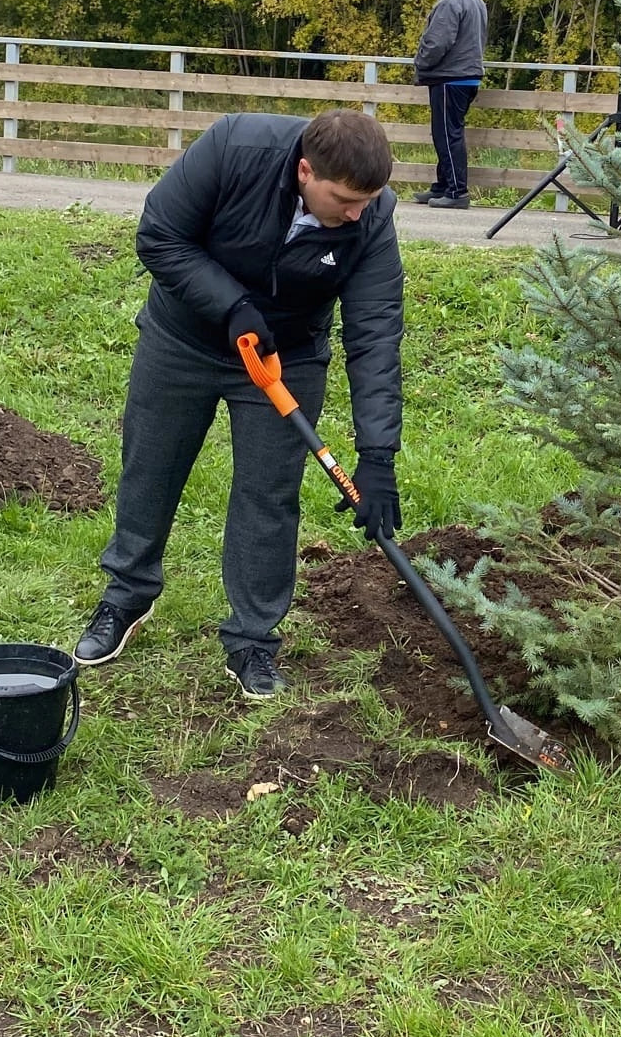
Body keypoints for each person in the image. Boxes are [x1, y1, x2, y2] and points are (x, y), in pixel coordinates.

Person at [74, 109, 404, 698]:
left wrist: (377, 456)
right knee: (151, 465)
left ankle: (252, 639)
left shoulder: (372, 216)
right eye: (345, 199)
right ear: (305, 171)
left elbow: (375, 330)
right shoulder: (235, 147)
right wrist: (229, 306)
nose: (357, 212)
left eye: (368, 200)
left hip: (288, 355)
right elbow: (159, 234)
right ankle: (126, 596)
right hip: (185, 337)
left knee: (268, 494)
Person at [413, 0, 488, 210]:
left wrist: (420, 63)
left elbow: (437, 42)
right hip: (466, 76)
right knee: (446, 132)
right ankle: (443, 186)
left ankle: (457, 191)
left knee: (447, 134)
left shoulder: (451, 1)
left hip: (450, 76)